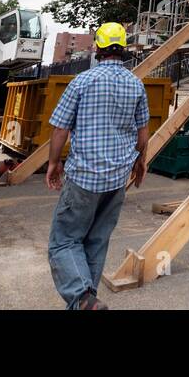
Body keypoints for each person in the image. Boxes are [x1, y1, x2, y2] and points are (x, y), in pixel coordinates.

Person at [46, 22, 149, 310]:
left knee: (64, 242)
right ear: (124, 48)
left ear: (98, 48)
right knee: (96, 241)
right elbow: (143, 134)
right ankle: (87, 302)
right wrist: (140, 162)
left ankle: (82, 298)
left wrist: (53, 163)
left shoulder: (82, 82)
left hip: (84, 176)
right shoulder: (135, 83)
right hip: (117, 178)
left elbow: (60, 130)